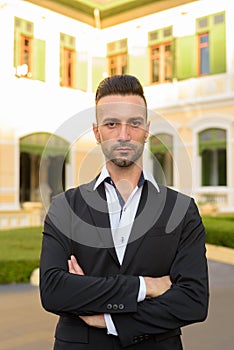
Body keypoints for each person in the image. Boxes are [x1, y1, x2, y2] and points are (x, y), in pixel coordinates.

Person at [40, 74, 209, 350]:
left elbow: (194, 300)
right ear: (97, 133)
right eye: (111, 124)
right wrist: (146, 287)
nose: (123, 134)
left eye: (134, 123)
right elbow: (54, 291)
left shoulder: (182, 210)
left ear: (146, 130)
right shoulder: (64, 207)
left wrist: (108, 319)